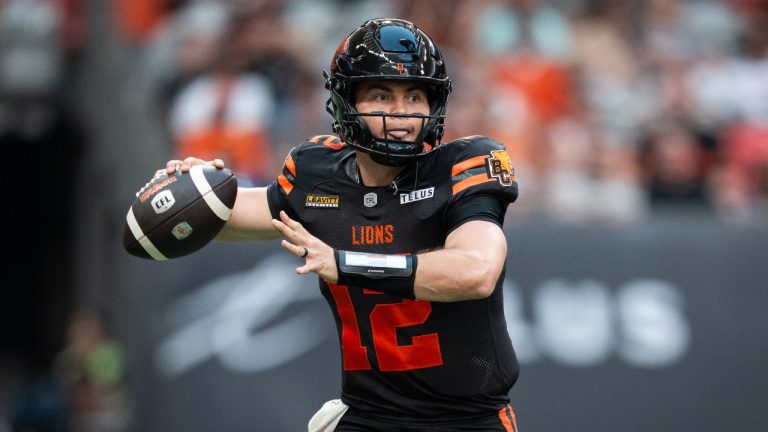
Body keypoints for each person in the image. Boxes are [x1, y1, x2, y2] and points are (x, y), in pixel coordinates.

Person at [159, 18, 520, 432]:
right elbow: (230, 215)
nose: (400, 113)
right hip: (368, 418)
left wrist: (345, 263)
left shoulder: (463, 167)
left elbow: (476, 271)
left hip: (466, 422)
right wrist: (189, 192)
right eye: (382, 95)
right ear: (346, 100)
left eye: (415, 95)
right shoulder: (318, 175)